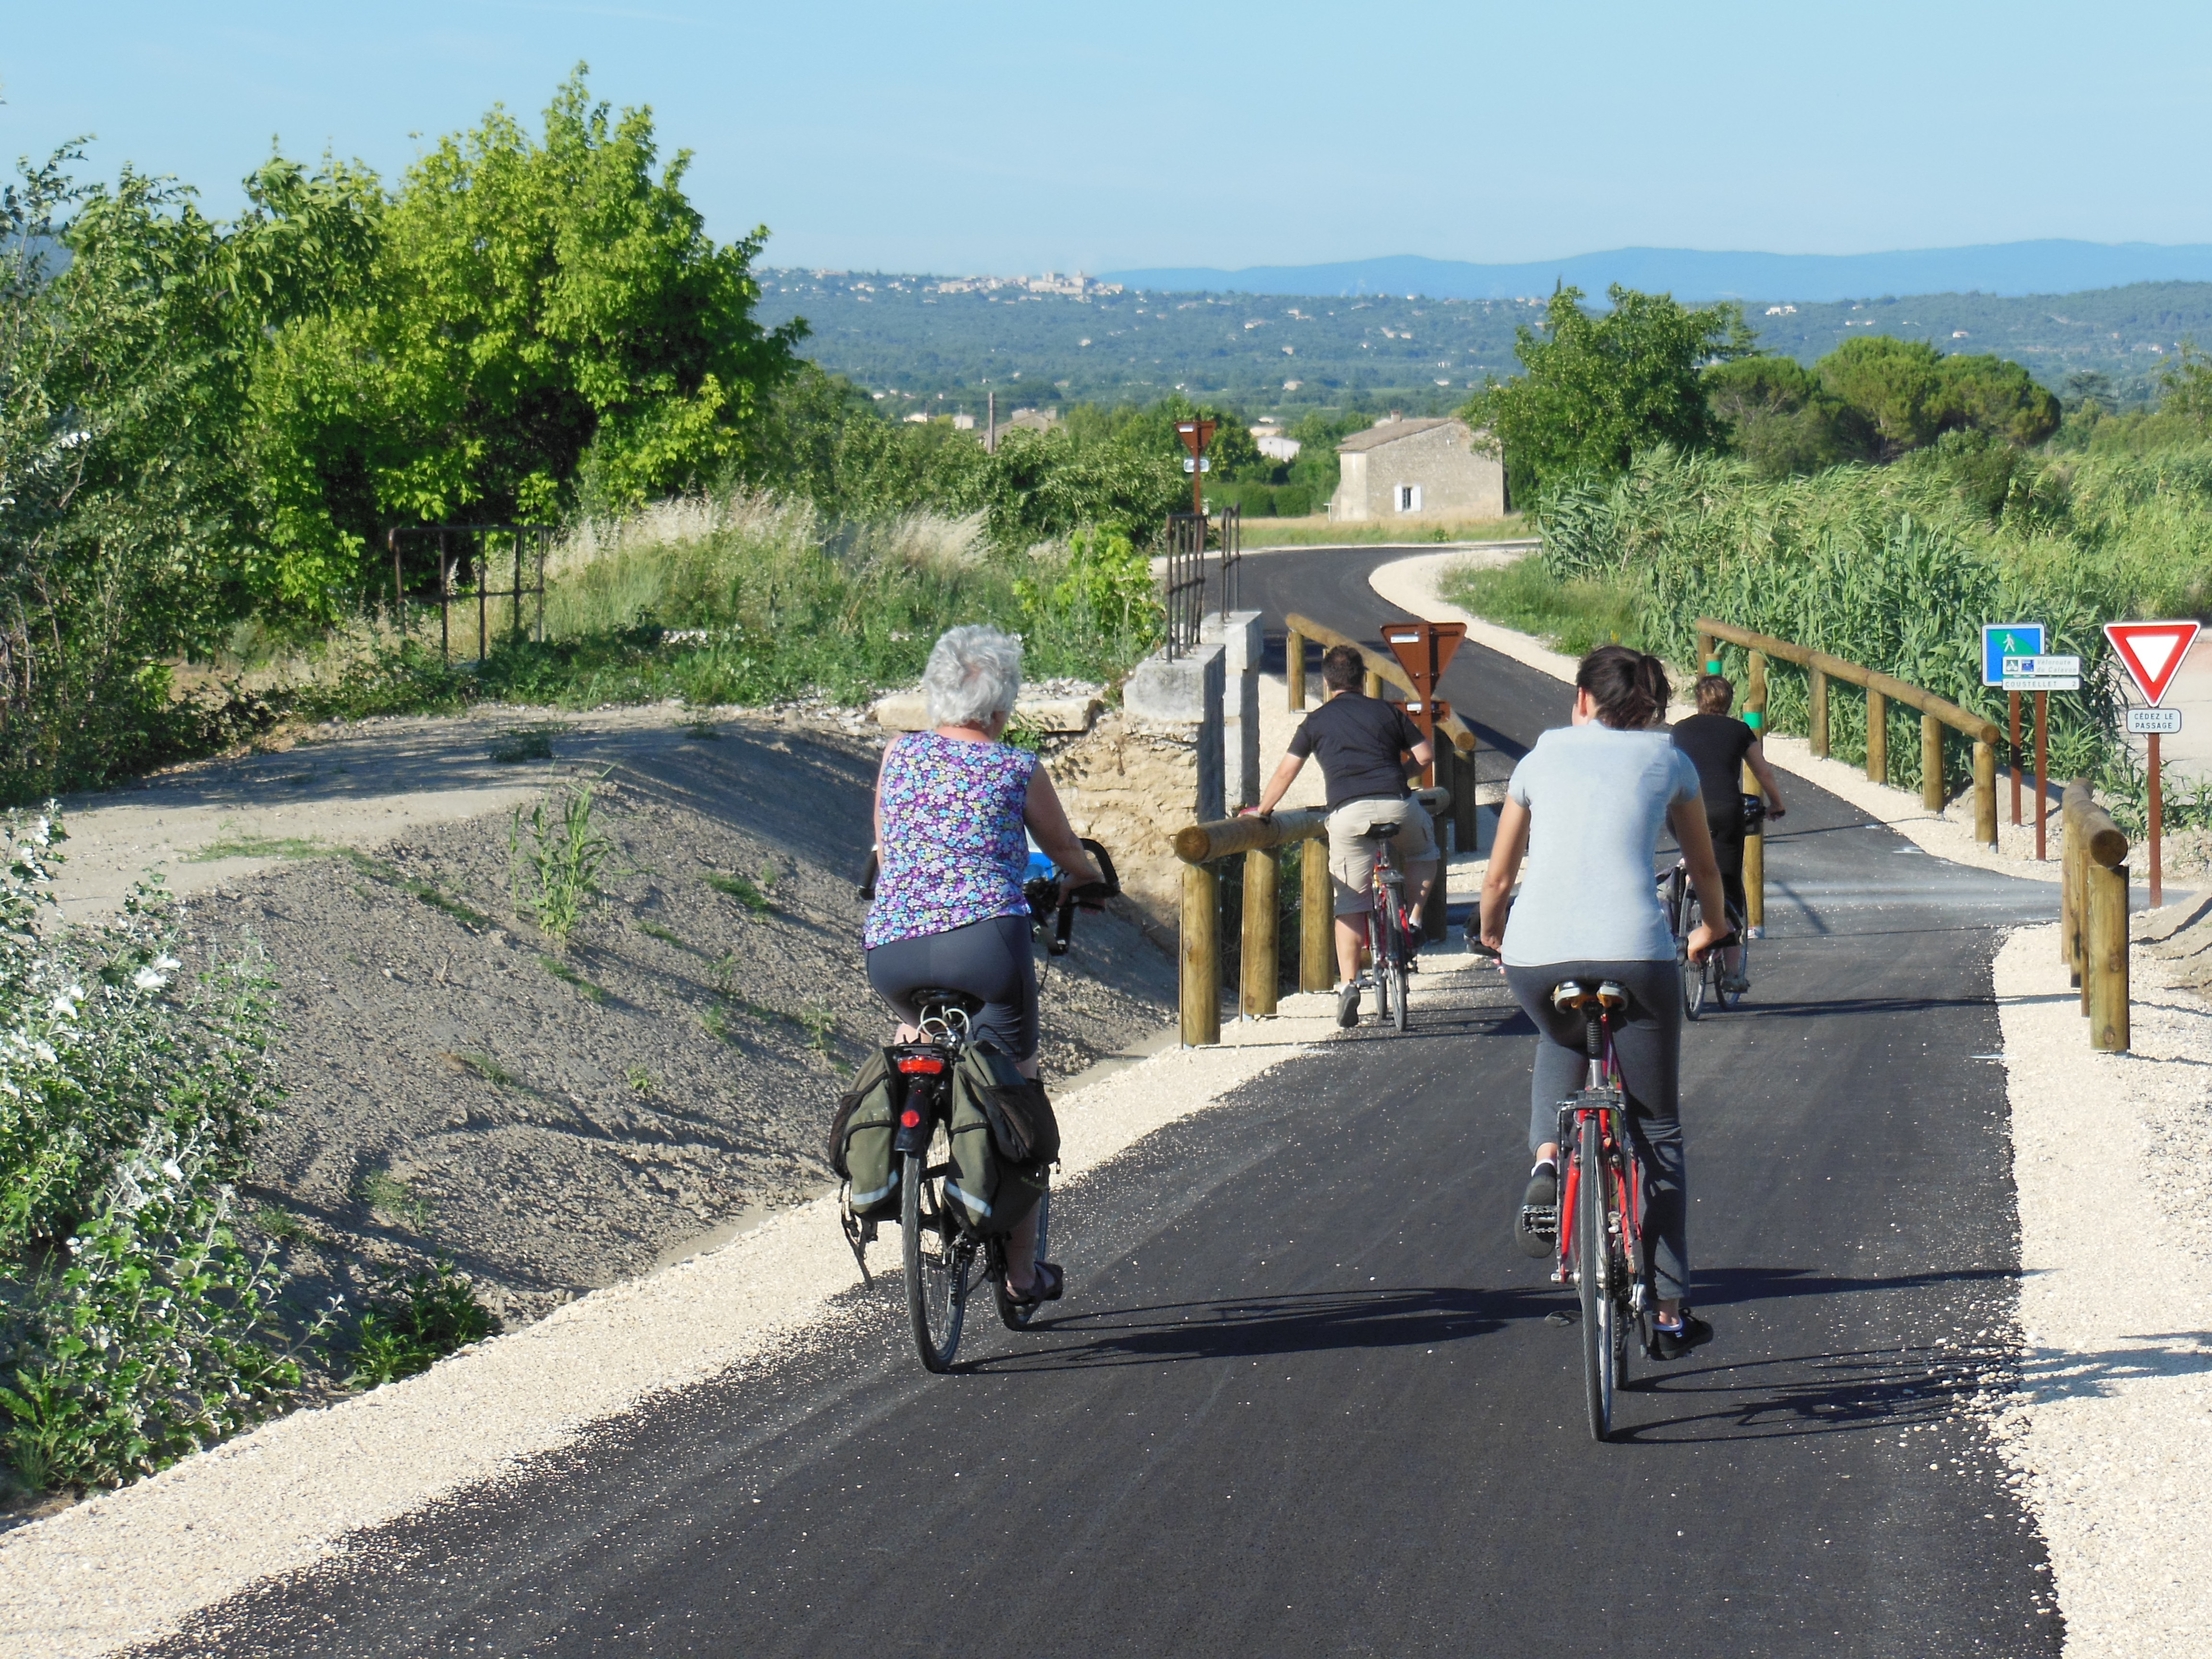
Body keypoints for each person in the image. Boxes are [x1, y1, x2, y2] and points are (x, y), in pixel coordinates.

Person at [1477, 645, 1729, 1360]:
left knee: (1561, 1034)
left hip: (1538, 953)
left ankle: (1549, 1164)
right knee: (1660, 1133)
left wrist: (1496, 936)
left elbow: (1499, 878)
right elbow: (1703, 866)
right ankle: (1673, 1312)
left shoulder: (1539, 759)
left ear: (1582, 698)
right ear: (1649, 708)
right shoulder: (1669, 759)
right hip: (1634, 953)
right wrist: (1713, 925)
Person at [864, 624, 1105, 1309]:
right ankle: (1023, 1276)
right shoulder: (1015, 768)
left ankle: (916, 1085)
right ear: (1001, 708)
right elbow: (1066, 854)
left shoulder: (899, 755)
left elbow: (888, 844)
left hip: (893, 951)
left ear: (936, 695)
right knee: (1017, 1096)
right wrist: (1086, 881)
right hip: (987, 947)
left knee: (920, 1032)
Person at [1248, 643, 1439, 1028]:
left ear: (1326, 682)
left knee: (1351, 900)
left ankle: (1350, 984)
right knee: (1423, 853)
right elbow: (1426, 755)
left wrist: (1262, 811)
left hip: (1348, 814)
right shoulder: (1386, 711)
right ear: (1363, 677)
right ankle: (1413, 923)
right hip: (1397, 804)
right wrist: (1397, 777)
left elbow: (1286, 772)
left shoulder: (1316, 723)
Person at [1671, 673, 1787, 993]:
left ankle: (1686, 895)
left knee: (1692, 856)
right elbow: (1761, 770)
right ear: (1729, 701)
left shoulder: (1680, 729)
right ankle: (1733, 972)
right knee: (1730, 885)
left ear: (1698, 700)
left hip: (1681, 807)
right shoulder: (1739, 730)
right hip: (1724, 809)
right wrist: (1776, 803)